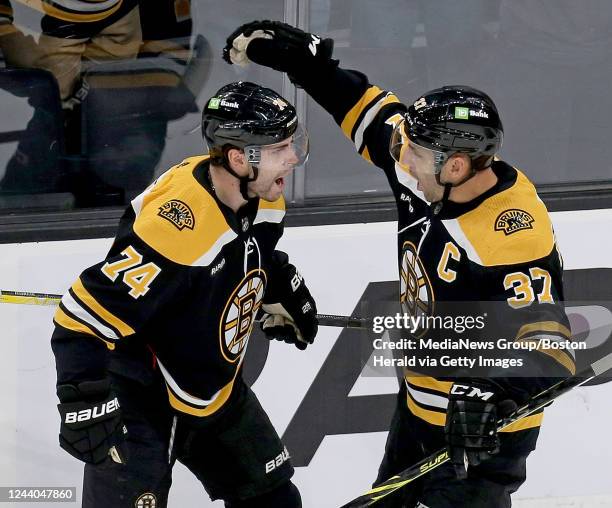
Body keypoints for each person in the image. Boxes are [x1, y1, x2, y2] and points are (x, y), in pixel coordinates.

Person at [224, 21, 576, 507]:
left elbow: (548, 348)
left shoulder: (510, 232)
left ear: (456, 166)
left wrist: (492, 394)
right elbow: (365, 108)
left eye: (411, 152)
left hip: (481, 433)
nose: (398, 159)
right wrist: (304, 65)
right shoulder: (426, 167)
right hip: (420, 404)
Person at [50, 80, 317, 508]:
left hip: (210, 385)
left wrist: (280, 285)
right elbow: (81, 318)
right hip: (143, 390)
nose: (293, 159)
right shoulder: (179, 228)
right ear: (238, 158)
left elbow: (253, 250)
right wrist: (84, 398)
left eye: (292, 143)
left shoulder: (263, 195)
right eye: (280, 148)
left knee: (276, 501)